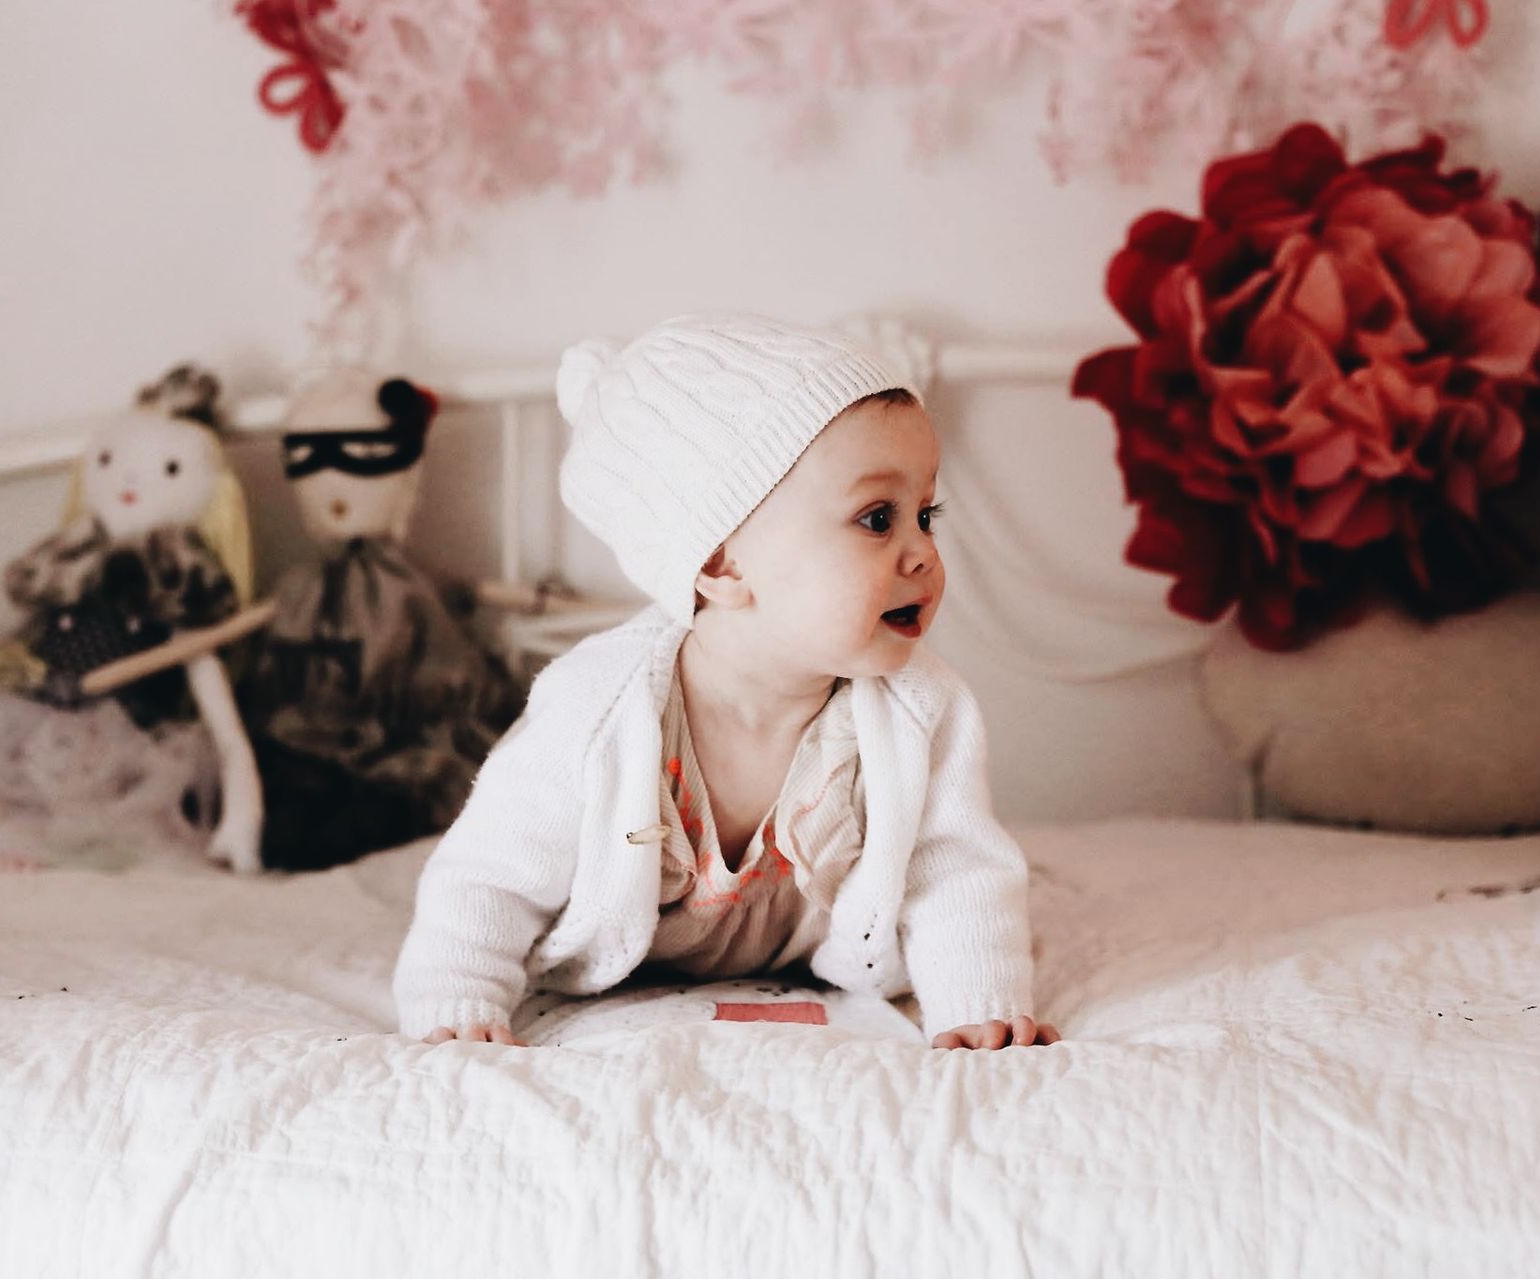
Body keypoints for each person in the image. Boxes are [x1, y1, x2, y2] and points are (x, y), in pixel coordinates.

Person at [393, 313, 1055, 1050]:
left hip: (816, 961)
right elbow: (489, 874)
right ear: (722, 565)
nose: (923, 554)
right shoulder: (598, 708)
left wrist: (977, 1002)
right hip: (618, 963)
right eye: (877, 518)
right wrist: (457, 999)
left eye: (925, 515)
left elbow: (955, 871)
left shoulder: (921, 708)